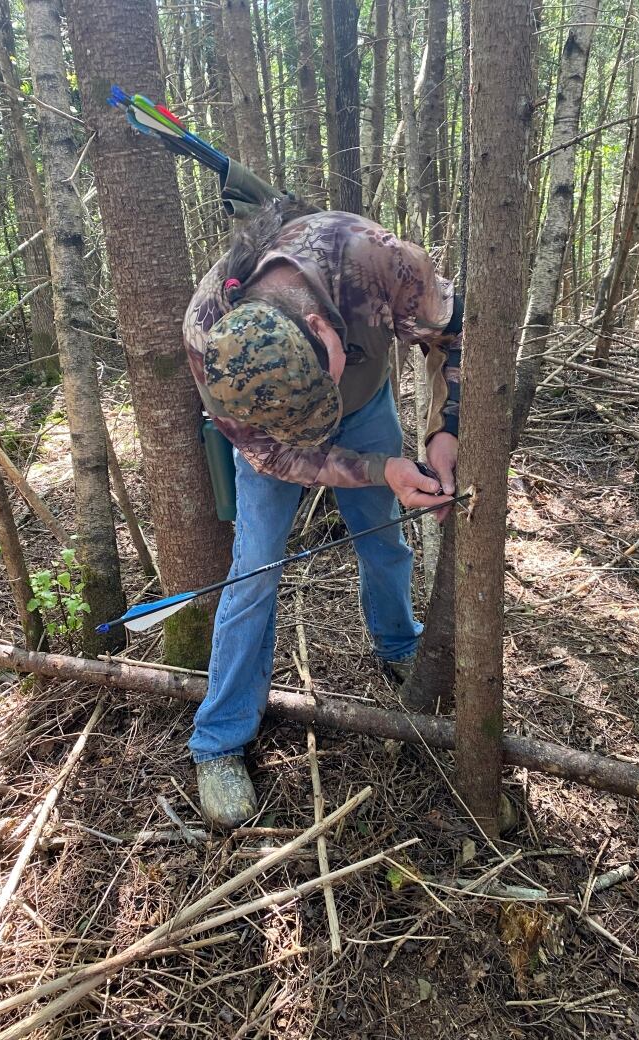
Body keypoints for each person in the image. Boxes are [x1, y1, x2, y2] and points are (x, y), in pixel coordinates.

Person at [183, 201, 463, 827]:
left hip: (367, 407)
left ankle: (398, 646)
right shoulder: (208, 337)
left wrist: (447, 428)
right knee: (254, 569)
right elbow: (271, 455)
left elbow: (455, 332)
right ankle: (220, 741)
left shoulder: (377, 260)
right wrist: (375, 469)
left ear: (322, 325)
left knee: (384, 536)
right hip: (273, 439)